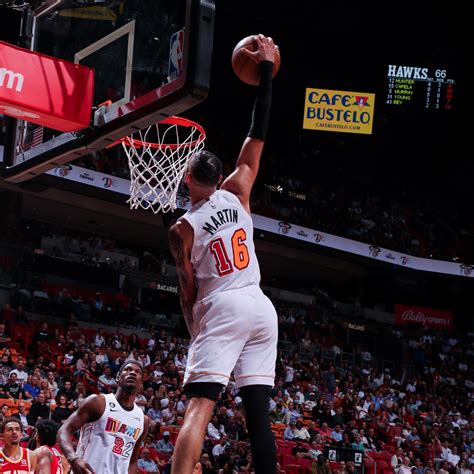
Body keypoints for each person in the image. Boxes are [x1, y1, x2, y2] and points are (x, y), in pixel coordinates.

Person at [168, 34, 278, 474]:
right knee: (258, 416)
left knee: (200, 405)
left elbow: (186, 290)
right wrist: (266, 72)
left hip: (222, 305)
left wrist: (197, 331)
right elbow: (258, 131)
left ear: (190, 178)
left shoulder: (182, 228)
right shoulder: (239, 187)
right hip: (260, 305)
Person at [58, 359, 150, 473]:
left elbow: (132, 459)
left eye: (137, 372)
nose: (132, 373)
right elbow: (64, 430)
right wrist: (73, 459)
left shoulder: (143, 420)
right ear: (117, 378)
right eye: (127, 369)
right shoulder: (98, 402)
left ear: (141, 383)